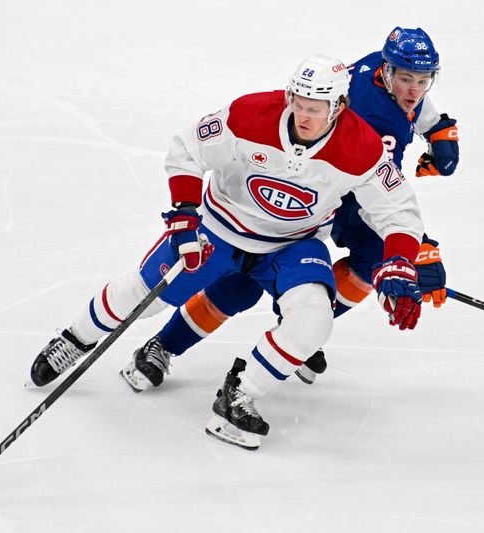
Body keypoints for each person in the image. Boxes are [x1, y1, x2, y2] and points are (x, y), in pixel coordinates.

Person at [28, 52, 426, 449]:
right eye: (298, 104)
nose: (303, 116)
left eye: (315, 109)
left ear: (339, 106)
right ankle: (74, 339)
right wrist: (185, 215)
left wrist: (399, 261)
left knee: (313, 321)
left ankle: (238, 394)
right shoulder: (250, 114)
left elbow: (399, 212)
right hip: (219, 230)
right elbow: (187, 149)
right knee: (144, 295)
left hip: (292, 246)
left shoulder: (363, 147)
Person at [115, 27, 461, 389]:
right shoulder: (365, 113)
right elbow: (380, 191)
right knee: (248, 281)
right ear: (388, 73)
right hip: (328, 197)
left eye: (423, 81)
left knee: (363, 263)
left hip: (336, 191)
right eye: (407, 79)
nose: (414, 90)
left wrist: (439, 130)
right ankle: (171, 344)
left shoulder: (378, 69)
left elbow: (415, 111)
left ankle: (294, 336)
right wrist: (416, 246)